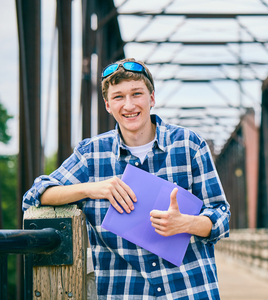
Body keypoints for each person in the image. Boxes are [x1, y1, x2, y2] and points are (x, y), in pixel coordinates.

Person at [22, 58, 230, 299]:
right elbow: (35, 196)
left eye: (136, 93)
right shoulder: (92, 154)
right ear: (108, 105)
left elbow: (221, 215)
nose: (129, 105)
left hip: (189, 290)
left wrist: (186, 224)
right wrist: (91, 189)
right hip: (127, 292)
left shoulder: (188, 144)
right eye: (118, 97)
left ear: (151, 98)